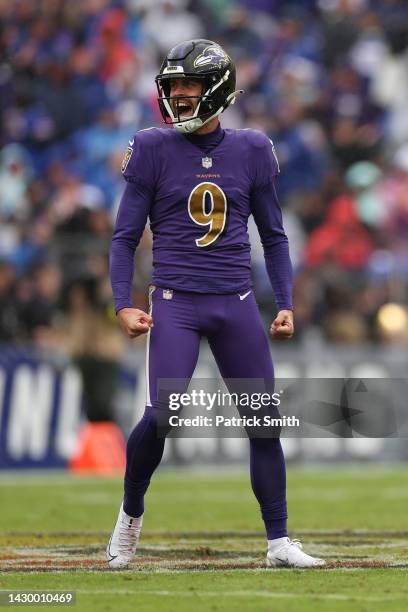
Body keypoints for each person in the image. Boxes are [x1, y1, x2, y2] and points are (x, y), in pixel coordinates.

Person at [107, 39, 325, 569]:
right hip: (176, 302)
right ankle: (128, 520)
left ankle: (278, 541)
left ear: (219, 89)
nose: (180, 95)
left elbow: (274, 236)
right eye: (174, 85)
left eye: (190, 85)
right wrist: (122, 303)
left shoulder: (251, 149)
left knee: (263, 420)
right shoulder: (153, 147)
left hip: (237, 301)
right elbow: (122, 238)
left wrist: (286, 300)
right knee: (162, 415)